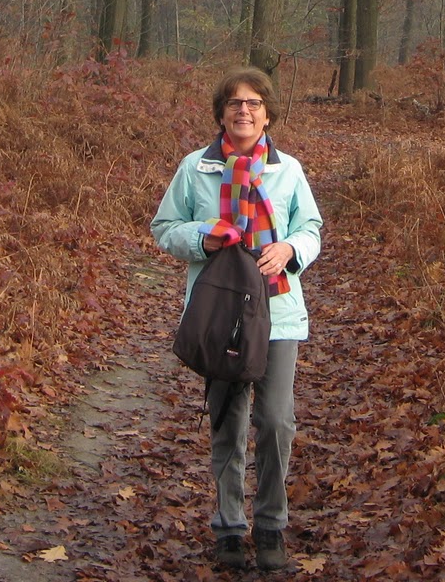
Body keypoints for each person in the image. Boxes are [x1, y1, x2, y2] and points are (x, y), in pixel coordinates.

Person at [151, 67, 324, 572]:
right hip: (220, 312)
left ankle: (271, 522)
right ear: (221, 113)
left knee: (275, 421)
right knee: (227, 421)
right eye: (233, 103)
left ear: (267, 113)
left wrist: (289, 248)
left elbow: (311, 226)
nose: (243, 110)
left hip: (278, 314)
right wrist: (201, 237)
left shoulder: (288, 171)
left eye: (252, 103)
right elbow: (165, 226)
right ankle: (229, 525)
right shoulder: (196, 168)